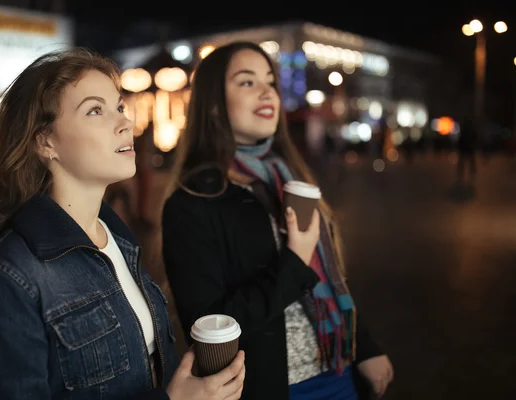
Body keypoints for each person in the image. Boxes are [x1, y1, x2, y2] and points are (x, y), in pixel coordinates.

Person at [0, 48, 245, 400]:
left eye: (119, 107)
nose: (125, 122)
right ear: (45, 142)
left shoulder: (118, 240)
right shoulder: (4, 282)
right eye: (95, 110)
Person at [161, 41, 393, 400]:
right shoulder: (194, 201)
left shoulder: (289, 178)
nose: (267, 90)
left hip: (339, 372)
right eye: (247, 81)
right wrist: (293, 261)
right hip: (274, 387)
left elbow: (331, 280)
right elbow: (208, 322)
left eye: (270, 81)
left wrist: (365, 347)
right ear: (212, 105)